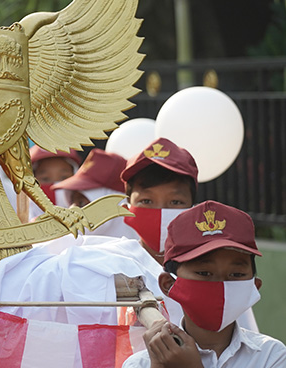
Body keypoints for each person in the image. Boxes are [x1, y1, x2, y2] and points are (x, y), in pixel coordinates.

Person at [122, 201, 286, 367]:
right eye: (204, 273)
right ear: (169, 284)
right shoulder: (141, 364)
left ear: (253, 287)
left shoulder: (272, 356)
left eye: (236, 274)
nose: (220, 285)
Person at [120, 138, 197, 264]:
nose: (160, 211)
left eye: (175, 202)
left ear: (194, 211)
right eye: (146, 201)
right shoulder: (113, 267)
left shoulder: (210, 271)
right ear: (126, 210)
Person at [53, 148, 138, 238]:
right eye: (71, 201)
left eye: (82, 203)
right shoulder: (58, 246)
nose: (72, 208)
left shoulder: (140, 250)